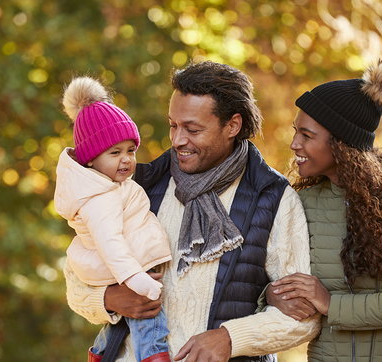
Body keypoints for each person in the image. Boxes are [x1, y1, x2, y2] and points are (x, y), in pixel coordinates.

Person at [63, 61, 321, 362]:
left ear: (232, 126)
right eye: (173, 125)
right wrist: (108, 299)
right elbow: (75, 282)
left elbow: (303, 318)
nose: (177, 140)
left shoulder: (273, 198)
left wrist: (230, 339)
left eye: (193, 129)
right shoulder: (140, 186)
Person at [264, 58, 382, 361]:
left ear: (341, 142)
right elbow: (272, 279)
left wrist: (331, 305)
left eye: (307, 135)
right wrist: (272, 296)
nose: (294, 144)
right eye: (295, 131)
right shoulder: (302, 202)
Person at [54, 76, 172, 362]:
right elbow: (110, 244)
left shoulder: (107, 186)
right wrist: (140, 282)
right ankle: (155, 358)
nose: (127, 160)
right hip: (126, 269)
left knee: (120, 321)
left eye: (131, 150)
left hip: (122, 267)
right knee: (150, 320)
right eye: (114, 152)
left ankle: (100, 353)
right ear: (91, 159)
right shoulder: (101, 199)